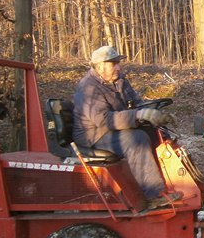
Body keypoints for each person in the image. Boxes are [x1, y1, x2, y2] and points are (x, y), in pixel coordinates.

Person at [73, 46, 181, 209]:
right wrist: (138, 115)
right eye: (113, 63)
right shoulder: (88, 88)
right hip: (94, 135)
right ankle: (153, 195)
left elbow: (136, 103)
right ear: (100, 66)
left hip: (111, 129)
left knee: (156, 132)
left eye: (118, 63)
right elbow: (104, 120)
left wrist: (154, 114)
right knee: (136, 140)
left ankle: (172, 182)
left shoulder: (120, 81)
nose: (118, 67)